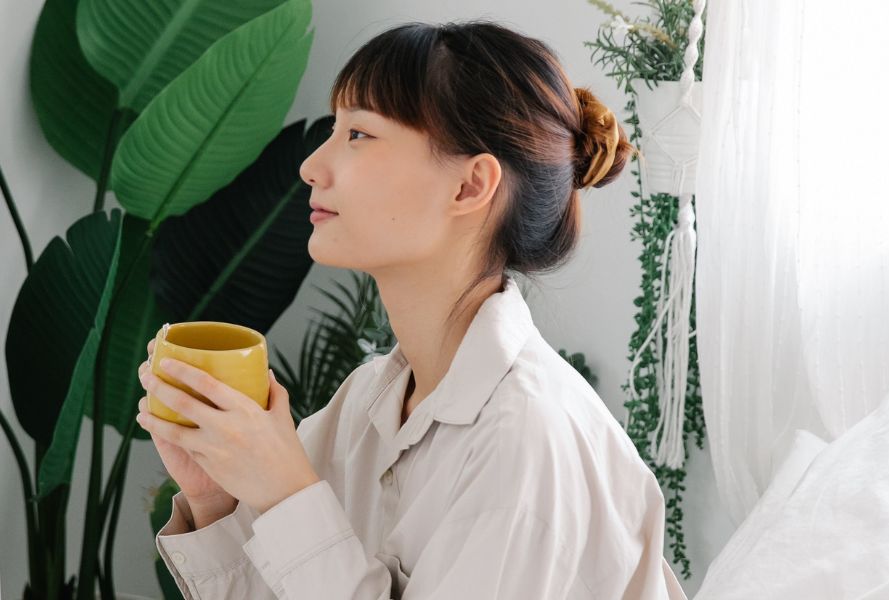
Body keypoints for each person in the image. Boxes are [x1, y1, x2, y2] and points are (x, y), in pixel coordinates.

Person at [136, 19, 687, 599]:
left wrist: (285, 494)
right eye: (334, 128)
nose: (311, 166)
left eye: (359, 135)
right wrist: (215, 495)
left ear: (470, 187)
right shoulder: (368, 402)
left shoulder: (526, 443)